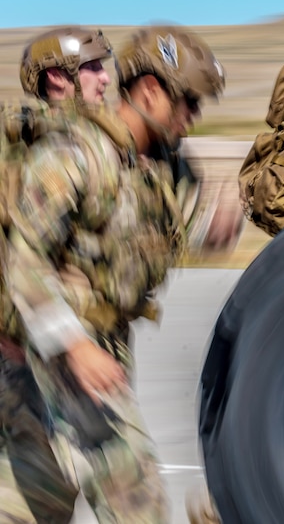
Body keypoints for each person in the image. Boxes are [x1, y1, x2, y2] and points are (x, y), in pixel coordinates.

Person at [3, 25, 242, 522]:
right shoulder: (73, 154)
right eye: (189, 103)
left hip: (100, 347)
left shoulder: (169, 166)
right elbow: (25, 261)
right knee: (135, 496)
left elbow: (162, 234)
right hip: (62, 346)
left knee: (34, 500)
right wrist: (77, 346)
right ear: (151, 92)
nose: (194, 118)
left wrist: (214, 230)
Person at [0, 27, 113, 523]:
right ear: (57, 80)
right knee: (36, 499)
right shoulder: (37, 149)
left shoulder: (87, 146)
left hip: (50, 348)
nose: (105, 79)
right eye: (91, 68)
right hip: (22, 353)